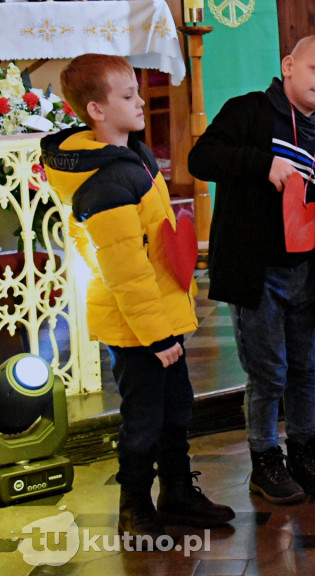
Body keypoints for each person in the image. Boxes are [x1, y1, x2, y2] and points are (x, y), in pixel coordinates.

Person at [42, 54, 234, 539]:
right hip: (139, 329)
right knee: (144, 418)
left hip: (160, 317)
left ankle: (177, 491)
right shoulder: (106, 183)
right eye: (127, 95)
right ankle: (135, 505)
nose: (140, 101)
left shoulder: (131, 158)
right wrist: (157, 336)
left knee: (177, 409)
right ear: (96, 110)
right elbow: (126, 273)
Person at [188, 36, 315, 504]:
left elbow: (312, 198)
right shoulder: (249, 111)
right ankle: (265, 458)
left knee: (306, 369)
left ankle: (304, 450)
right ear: (289, 66)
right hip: (257, 271)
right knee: (268, 373)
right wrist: (263, 163)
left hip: (306, 272)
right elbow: (201, 160)